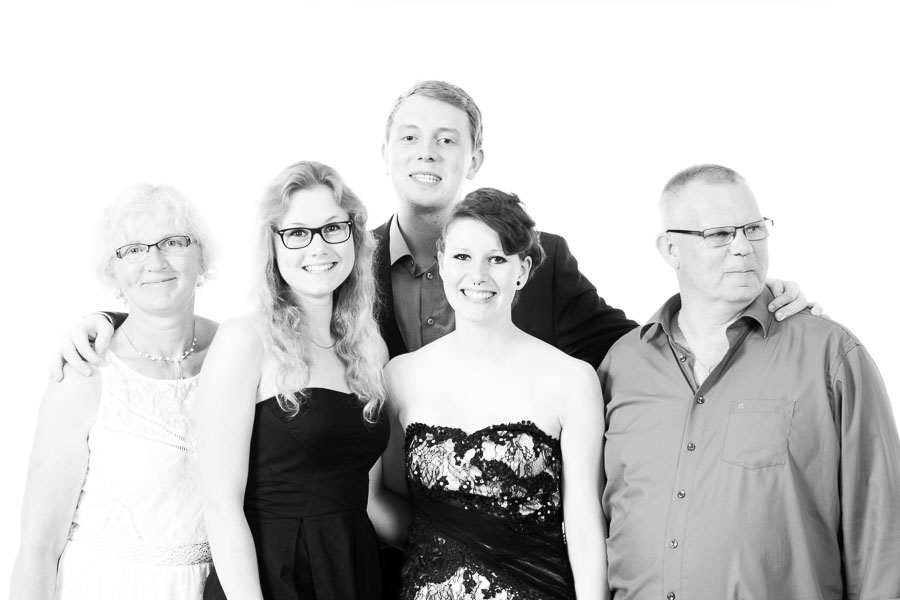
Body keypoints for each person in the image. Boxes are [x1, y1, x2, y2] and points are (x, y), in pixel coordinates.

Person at [50, 81, 813, 378]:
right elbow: (269, 333)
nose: (428, 153)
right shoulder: (340, 263)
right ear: (385, 154)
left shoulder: (540, 259)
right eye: (411, 138)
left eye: (448, 140)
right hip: (375, 533)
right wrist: (116, 322)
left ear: (473, 158)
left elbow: (630, 348)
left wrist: (731, 296)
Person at [599, 164, 900, 599]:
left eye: (754, 229)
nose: (743, 247)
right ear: (670, 249)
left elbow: (880, 530)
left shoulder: (829, 355)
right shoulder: (622, 365)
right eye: (720, 234)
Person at [383, 188, 607, 599]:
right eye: (462, 257)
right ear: (442, 263)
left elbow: (584, 527)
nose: (478, 275)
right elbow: (396, 498)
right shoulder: (400, 377)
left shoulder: (572, 380)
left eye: (497, 259)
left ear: (522, 270)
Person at [196, 160, 405, 600]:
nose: (318, 247)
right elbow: (220, 504)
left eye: (333, 228)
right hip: (271, 578)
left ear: (354, 236)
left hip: (354, 571)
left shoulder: (371, 350)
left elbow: (370, 498)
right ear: (272, 245)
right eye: (296, 233)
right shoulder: (245, 340)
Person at [10, 184, 218, 599]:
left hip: (215, 587)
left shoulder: (234, 352)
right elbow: (39, 546)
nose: (155, 261)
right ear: (113, 273)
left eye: (174, 242)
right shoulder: (85, 374)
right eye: (133, 250)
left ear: (201, 256)